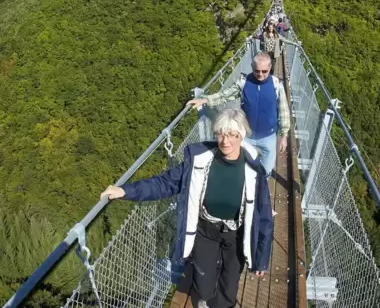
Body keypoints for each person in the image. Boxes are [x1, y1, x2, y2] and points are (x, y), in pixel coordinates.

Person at [101, 108, 273, 308]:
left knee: (229, 286)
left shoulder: (253, 170)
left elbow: (264, 216)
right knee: (204, 286)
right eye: (221, 134)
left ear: (241, 136)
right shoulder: (199, 161)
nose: (226, 141)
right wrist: (126, 191)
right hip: (205, 231)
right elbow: (165, 183)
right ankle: (206, 299)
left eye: (233, 135)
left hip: (236, 235)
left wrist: (261, 258)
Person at [187, 52, 290, 177]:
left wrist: (284, 135)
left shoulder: (276, 85)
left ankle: (260, 189)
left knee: (266, 170)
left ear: (270, 68)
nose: (260, 74)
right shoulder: (244, 83)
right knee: (241, 167)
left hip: (268, 136)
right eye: (257, 71)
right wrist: (205, 100)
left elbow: (284, 111)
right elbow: (225, 95)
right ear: (252, 68)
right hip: (245, 135)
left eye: (264, 71)